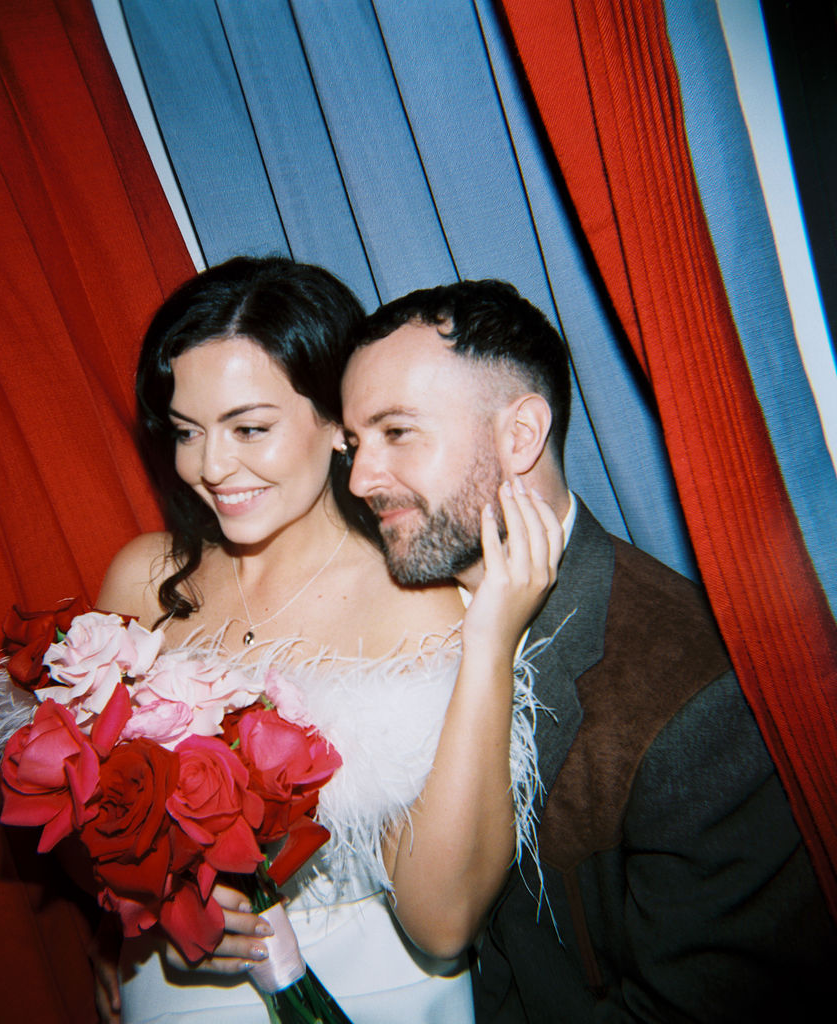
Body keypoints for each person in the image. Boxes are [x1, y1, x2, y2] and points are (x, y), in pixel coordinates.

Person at [340, 277, 837, 1021]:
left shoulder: (694, 695)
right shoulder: (389, 615)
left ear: (520, 434)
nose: (359, 479)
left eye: (396, 432)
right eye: (353, 444)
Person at [90, 257, 560, 1024]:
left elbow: (443, 927)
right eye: (186, 431)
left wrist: (487, 642)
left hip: (370, 994)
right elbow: (94, 823)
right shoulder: (144, 578)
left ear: (338, 424)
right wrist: (150, 908)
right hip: (173, 994)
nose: (210, 467)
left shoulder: (418, 599)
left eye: (250, 427)